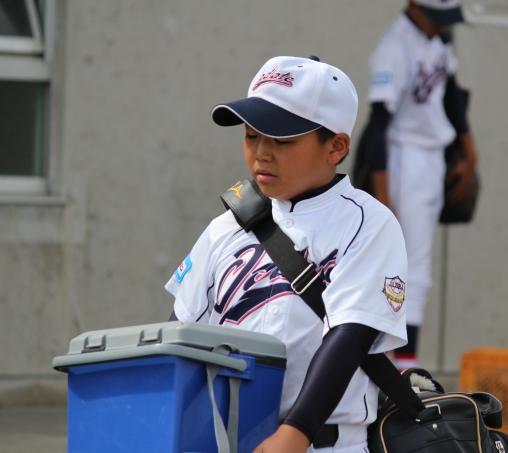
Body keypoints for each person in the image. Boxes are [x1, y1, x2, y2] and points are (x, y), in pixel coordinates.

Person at [165, 56, 409, 453]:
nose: (262, 152)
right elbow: (178, 338)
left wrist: (296, 431)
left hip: (324, 445)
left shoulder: (368, 222)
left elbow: (350, 338)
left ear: (336, 146)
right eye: (251, 135)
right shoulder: (225, 227)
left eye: (282, 140)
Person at [362, 0, 478, 369]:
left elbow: (452, 96)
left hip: (432, 157)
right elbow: (377, 124)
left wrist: (470, 154)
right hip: (402, 157)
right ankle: (396, 367)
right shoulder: (393, 47)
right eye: (437, 16)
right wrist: (383, 197)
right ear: (414, 6)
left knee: (418, 266)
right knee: (402, 267)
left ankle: (405, 365)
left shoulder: (438, 40)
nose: (443, 25)